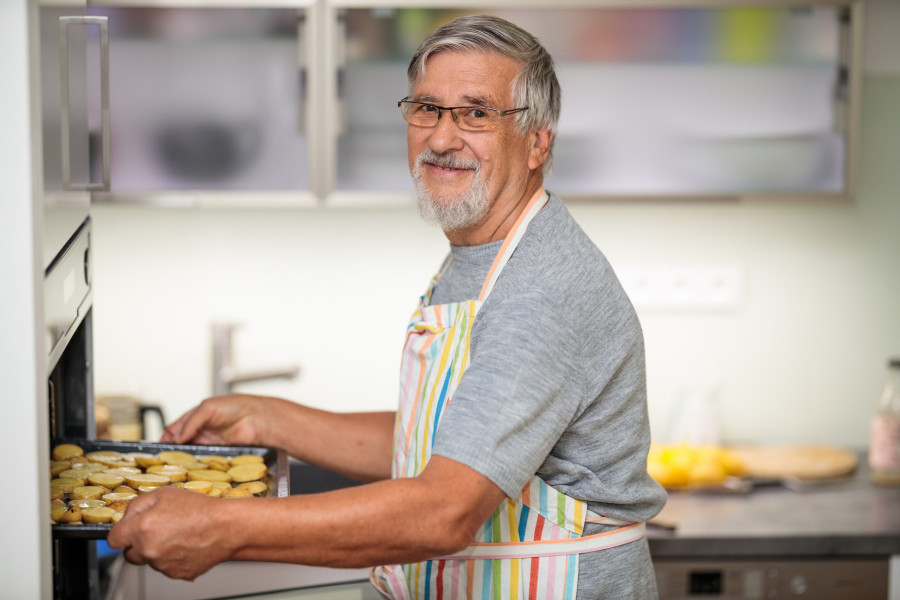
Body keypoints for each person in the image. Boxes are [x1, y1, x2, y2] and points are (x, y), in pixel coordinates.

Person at [108, 14, 667, 599]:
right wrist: (268, 419)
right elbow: (450, 446)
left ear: (536, 142)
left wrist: (221, 526)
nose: (443, 138)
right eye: (427, 108)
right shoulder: (479, 252)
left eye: (476, 113)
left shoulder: (540, 288)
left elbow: (442, 512)